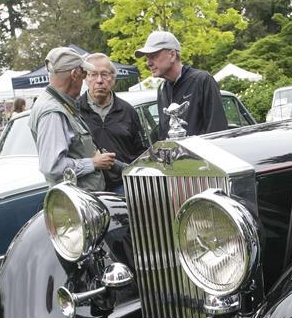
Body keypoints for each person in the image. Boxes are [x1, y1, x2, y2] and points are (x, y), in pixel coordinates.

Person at [28, 46, 114, 190]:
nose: (83, 81)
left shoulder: (58, 103)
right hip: (77, 204)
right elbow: (53, 167)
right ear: (74, 74)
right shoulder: (53, 112)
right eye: (84, 74)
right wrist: (93, 163)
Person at [135, 30, 227, 140]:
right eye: (147, 58)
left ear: (172, 55)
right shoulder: (162, 89)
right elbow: (164, 134)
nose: (148, 63)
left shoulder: (202, 81)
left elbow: (218, 131)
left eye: (153, 56)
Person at [78, 53, 147, 195]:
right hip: (89, 189)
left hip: (125, 188)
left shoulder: (128, 111)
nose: (99, 80)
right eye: (93, 75)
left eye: (104, 74)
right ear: (86, 78)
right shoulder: (76, 111)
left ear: (113, 78)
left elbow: (141, 152)